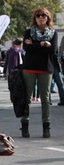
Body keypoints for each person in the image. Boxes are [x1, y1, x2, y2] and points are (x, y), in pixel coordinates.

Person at [20, 7, 57, 138]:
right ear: (35, 18)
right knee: (27, 98)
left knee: (45, 99)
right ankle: (24, 125)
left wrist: (34, 45)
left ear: (48, 18)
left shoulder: (53, 33)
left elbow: (52, 51)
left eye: (44, 15)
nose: (41, 17)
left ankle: (46, 126)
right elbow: (27, 49)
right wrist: (43, 44)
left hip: (45, 69)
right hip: (29, 68)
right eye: (38, 15)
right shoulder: (28, 32)